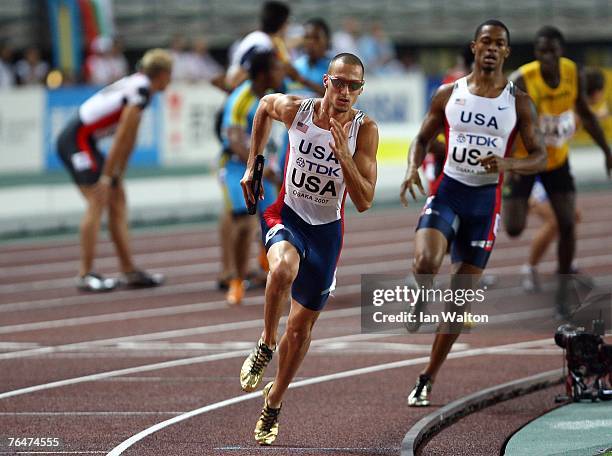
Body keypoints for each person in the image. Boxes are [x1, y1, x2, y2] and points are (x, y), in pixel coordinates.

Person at [399, 20, 546, 407]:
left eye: (500, 43)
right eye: (486, 42)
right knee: (426, 260)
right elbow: (422, 136)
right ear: (475, 47)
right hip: (448, 191)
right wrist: (413, 166)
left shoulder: (518, 102)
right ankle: (419, 292)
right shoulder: (449, 93)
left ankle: (427, 376)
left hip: (484, 206)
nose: (492, 48)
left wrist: (506, 164)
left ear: (507, 52)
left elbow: (540, 155)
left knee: (457, 305)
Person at [239, 53, 378, 444]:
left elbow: (365, 199)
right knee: (281, 269)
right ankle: (266, 342)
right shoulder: (297, 111)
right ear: (325, 82)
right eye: (340, 82)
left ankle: (274, 402)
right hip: (287, 214)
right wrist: (253, 163)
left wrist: (345, 159)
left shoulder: (364, 131)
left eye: (354, 85)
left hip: (326, 234)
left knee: (300, 329)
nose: (346, 92)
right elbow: (264, 105)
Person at [503, 26, 612, 316]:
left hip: (557, 162)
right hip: (525, 161)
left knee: (566, 223)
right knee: (513, 228)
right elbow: (504, 124)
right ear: (536, 53)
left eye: (552, 50)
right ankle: (521, 203)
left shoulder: (571, 72)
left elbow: (585, 113)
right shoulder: (522, 79)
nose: (547, 56)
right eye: (541, 51)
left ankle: (563, 296)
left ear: (561, 50)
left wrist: (606, 150)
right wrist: (509, 163)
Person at [57, 49, 172, 291]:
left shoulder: (141, 88)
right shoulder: (140, 91)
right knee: (97, 200)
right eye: (169, 76)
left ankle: (128, 269)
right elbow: (121, 137)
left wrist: (117, 174)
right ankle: (85, 273)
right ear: (162, 75)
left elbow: (130, 138)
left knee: (118, 200)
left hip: (86, 141)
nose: (170, 81)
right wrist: (108, 176)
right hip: (75, 141)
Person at [218, 51, 284, 305]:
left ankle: (269, 270)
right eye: (276, 68)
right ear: (263, 73)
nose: (281, 73)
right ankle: (237, 280)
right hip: (237, 168)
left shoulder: (276, 95)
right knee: (244, 224)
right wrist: (257, 165)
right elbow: (234, 140)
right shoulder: (241, 100)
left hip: (265, 168)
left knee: (274, 224)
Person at [225, 1, 323, 95]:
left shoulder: (270, 41)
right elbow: (236, 78)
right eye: (288, 21)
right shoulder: (261, 43)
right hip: (246, 98)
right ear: (283, 24)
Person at [276, 18, 332, 182]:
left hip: (320, 147)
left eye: (316, 38)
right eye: (307, 38)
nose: (310, 43)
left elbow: (337, 96)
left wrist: (302, 80)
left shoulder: (334, 67)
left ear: (326, 41)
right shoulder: (296, 66)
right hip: (292, 140)